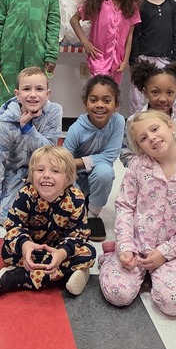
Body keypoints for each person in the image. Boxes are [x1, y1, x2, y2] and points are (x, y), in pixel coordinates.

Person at [98, 110, 176, 315]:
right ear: (140, 146)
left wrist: (164, 253)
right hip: (135, 246)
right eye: (143, 138)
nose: (152, 138)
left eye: (155, 129)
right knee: (117, 294)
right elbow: (124, 207)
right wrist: (125, 247)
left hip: (169, 253)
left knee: (174, 305)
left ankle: (152, 273)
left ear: (171, 127)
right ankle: (110, 257)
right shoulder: (138, 166)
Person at [0, 146, 96, 296]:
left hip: (61, 250)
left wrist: (61, 253)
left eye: (55, 171)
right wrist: (25, 246)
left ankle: (23, 277)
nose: (46, 175)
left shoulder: (77, 199)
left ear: (67, 177)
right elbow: (14, 228)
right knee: (7, 252)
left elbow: (77, 235)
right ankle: (63, 274)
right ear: (32, 175)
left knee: (90, 252)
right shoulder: (24, 195)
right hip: (33, 249)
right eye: (40, 170)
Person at [0, 67, 63, 223]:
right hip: (15, 173)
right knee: (6, 219)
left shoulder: (54, 112)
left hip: (45, 170)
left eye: (39, 89)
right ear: (17, 94)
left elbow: (48, 153)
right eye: (27, 89)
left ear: (48, 93)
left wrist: (27, 128)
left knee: (59, 214)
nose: (33, 95)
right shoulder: (7, 121)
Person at [63, 75, 124, 242]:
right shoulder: (77, 128)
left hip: (96, 173)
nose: (100, 105)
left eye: (106, 100)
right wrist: (74, 167)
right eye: (94, 100)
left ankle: (93, 214)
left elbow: (110, 156)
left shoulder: (118, 122)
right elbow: (64, 162)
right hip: (75, 176)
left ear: (116, 105)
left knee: (105, 172)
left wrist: (79, 162)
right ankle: (78, 204)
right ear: (85, 104)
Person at [70, 0, 142, 85]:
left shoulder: (131, 6)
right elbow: (74, 20)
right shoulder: (99, 2)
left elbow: (129, 36)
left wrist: (125, 60)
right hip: (99, 60)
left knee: (112, 96)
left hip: (117, 62)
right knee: (100, 92)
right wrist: (85, 42)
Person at [128, 0, 176, 114]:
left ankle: (167, 122)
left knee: (171, 93)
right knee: (137, 96)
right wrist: (134, 61)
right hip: (144, 58)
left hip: (165, 58)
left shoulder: (171, 5)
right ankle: (137, 124)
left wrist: (175, 58)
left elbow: (175, 33)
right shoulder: (140, 5)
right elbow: (136, 34)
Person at [120, 59, 176, 166]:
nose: (163, 99)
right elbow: (126, 154)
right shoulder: (133, 121)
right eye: (155, 92)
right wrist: (147, 170)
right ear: (145, 92)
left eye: (169, 92)